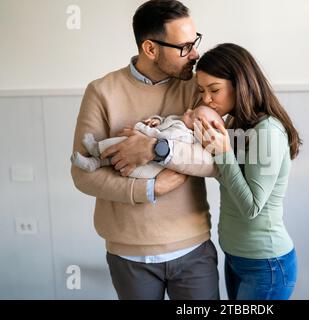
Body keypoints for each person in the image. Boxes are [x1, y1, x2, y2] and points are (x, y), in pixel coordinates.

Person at [71, 0, 219, 300]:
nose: (195, 54)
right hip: (129, 255)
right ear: (150, 49)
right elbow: (83, 174)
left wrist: (156, 149)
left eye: (195, 42)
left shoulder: (197, 88)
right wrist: (150, 189)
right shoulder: (101, 91)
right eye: (184, 47)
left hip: (194, 249)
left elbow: (217, 161)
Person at [195, 43, 301, 300]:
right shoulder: (234, 123)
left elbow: (252, 207)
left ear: (240, 84)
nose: (206, 99)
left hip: (265, 265)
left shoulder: (267, 131)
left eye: (214, 90)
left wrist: (223, 153)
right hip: (236, 259)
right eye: (202, 90)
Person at [71, 106, 222, 177]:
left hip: (151, 166)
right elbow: (166, 121)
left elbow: (161, 137)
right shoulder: (180, 121)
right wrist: (156, 120)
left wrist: (142, 130)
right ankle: (96, 159)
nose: (188, 110)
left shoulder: (183, 135)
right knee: (125, 145)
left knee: (125, 141)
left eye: (193, 114)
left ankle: (96, 150)